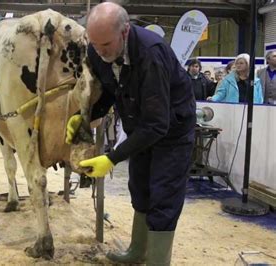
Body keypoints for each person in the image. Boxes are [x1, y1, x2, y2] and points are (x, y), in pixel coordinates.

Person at [65, 3, 196, 265]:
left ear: (125, 32)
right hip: (140, 126)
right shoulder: (97, 50)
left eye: (106, 45)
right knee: (140, 188)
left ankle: (157, 261)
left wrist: (112, 157)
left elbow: (158, 124)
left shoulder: (150, 54)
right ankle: (138, 251)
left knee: (163, 195)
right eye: (95, 44)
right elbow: (112, 91)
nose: (99, 52)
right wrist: (86, 117)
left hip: (172, 130)